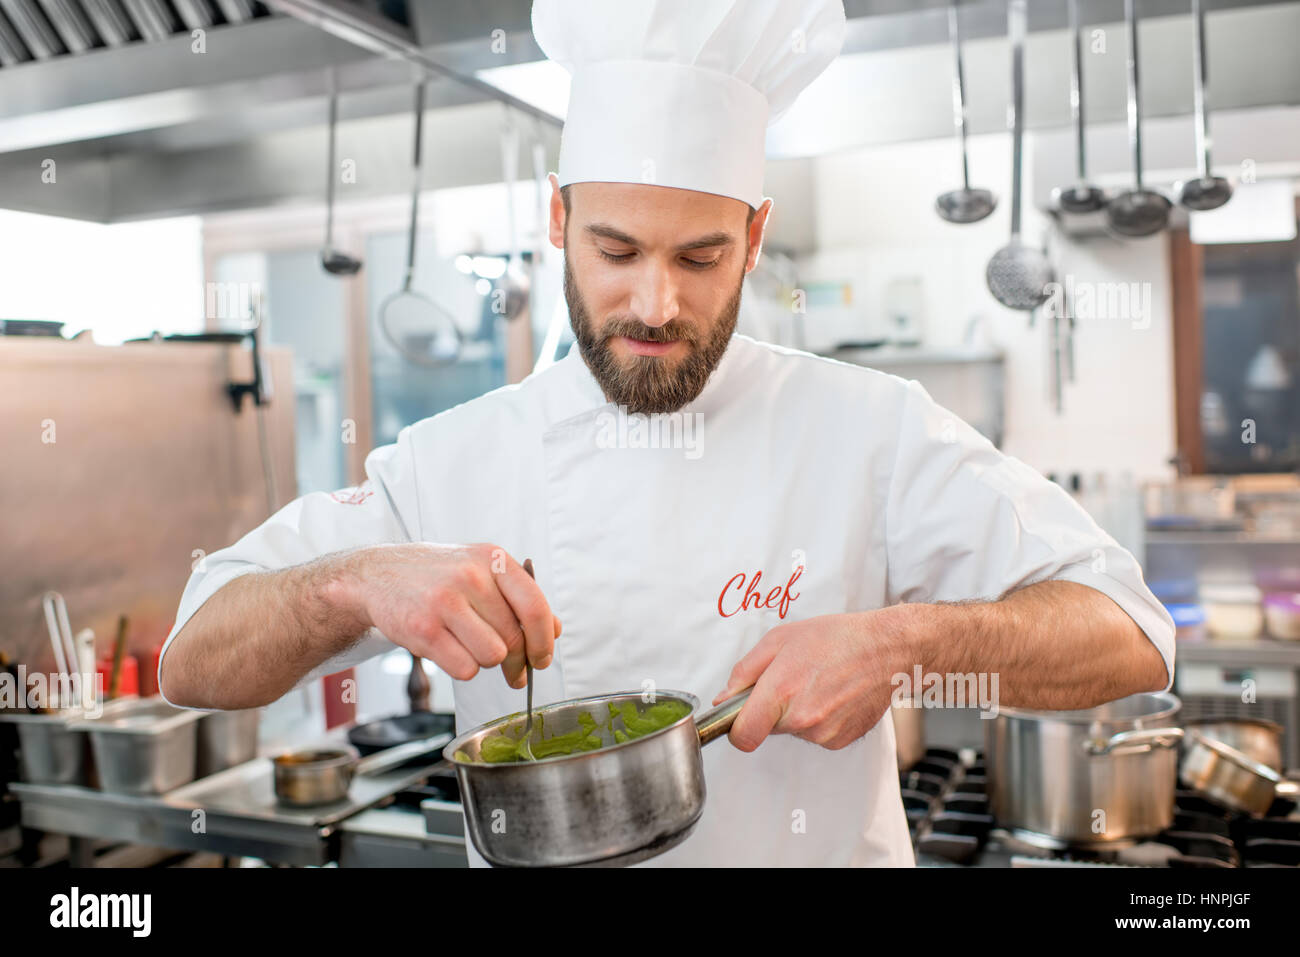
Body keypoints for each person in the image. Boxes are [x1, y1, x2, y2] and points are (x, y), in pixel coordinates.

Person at [159, 0, 1174, 866]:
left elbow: (1128, 631)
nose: (655, 303)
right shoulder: (447, 461)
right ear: (556, 220)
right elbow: (194, 662)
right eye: (616, 248)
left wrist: (905, 644)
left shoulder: (868, 427)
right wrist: (354, 579)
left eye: (701, 257)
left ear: (756, 238)